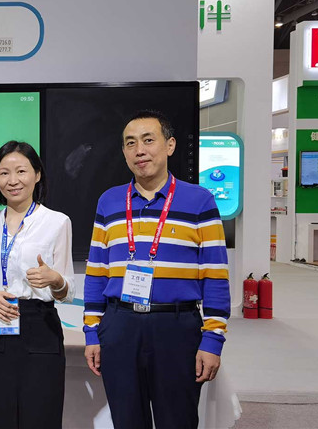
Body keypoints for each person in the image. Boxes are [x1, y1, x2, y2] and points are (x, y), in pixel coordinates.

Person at [83, 110, 230, 429]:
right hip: (120, 326)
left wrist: (212, 340)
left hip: (176, 327)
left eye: (148, 140)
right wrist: (92, 331)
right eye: (130, 143)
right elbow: (96, 272)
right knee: (126, 420)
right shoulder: (109, 202)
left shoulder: (199, 201)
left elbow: (215, 275)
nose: (139, 150)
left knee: (177, 420)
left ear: (170, 145)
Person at [0, 141, 75, 429]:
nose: (13, 180)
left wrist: (55, 279)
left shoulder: (57, 222)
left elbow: (67, 291)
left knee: (40, 415)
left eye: (21, 171)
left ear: (37, 174)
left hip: (40, 324)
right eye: (4, 173)